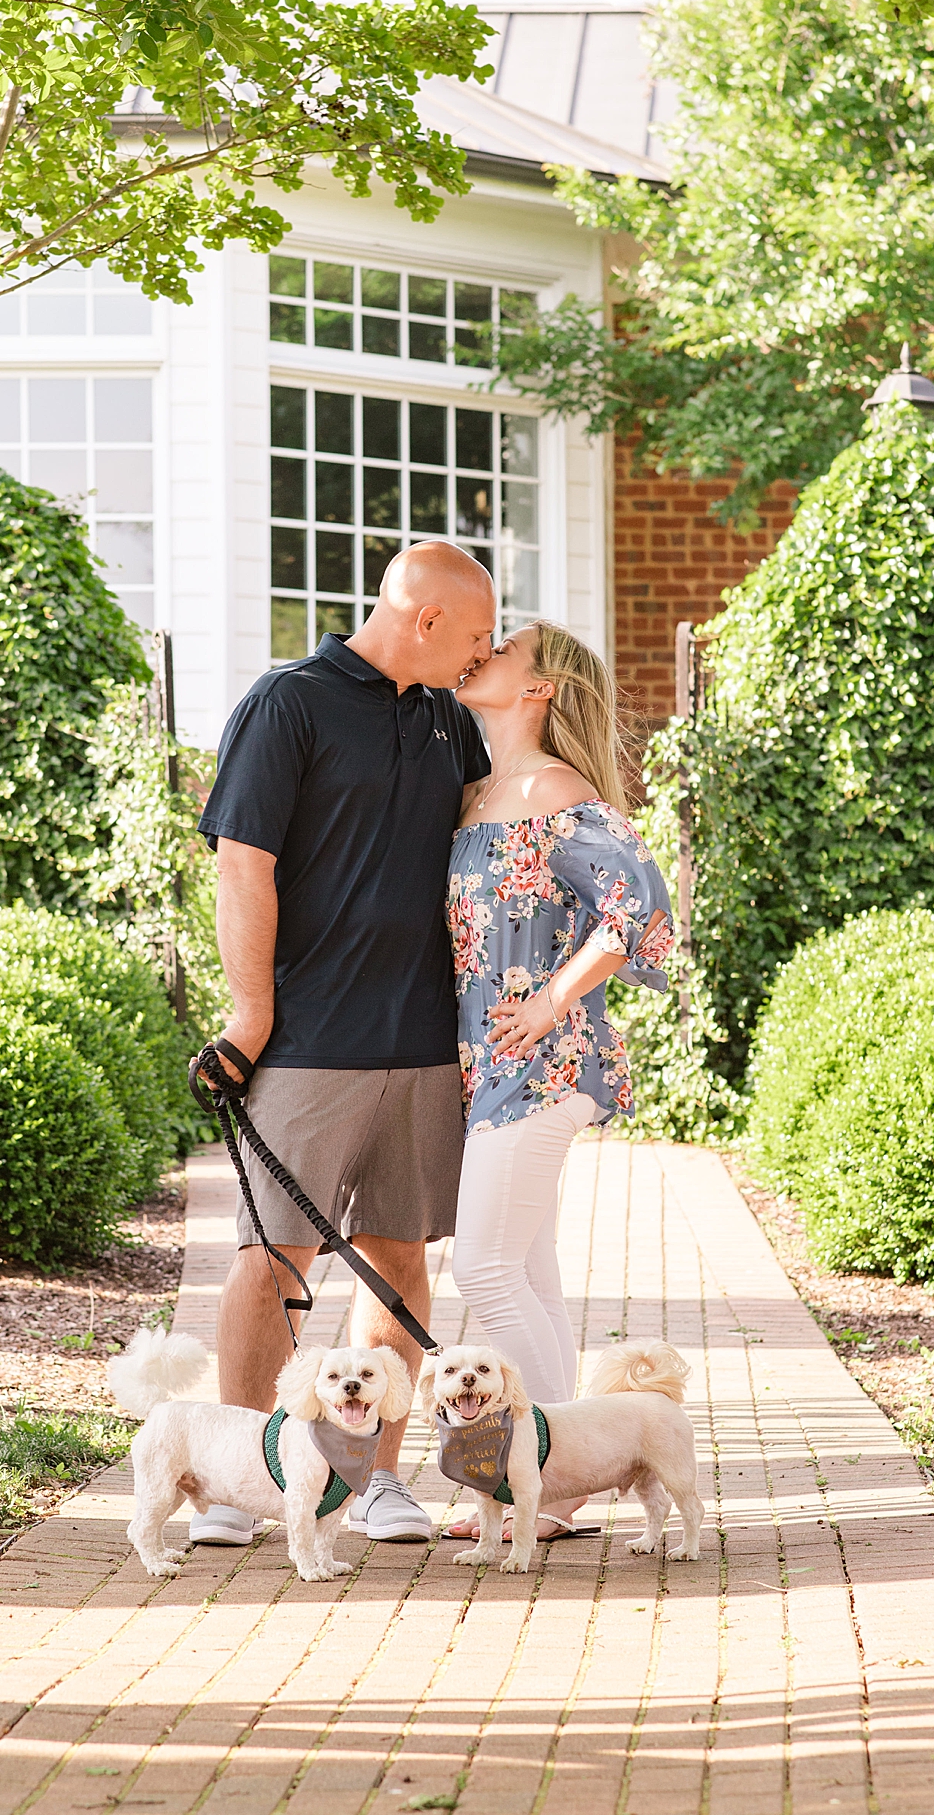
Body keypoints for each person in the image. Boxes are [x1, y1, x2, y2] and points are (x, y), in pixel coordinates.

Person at [194, 541, 496, 1548]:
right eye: (475, 635)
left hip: (421, 1043)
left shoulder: (450, 721)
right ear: (424, 619)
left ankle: (371, 1485)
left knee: (398, 1257)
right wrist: (250, 1016)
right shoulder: (289, 704)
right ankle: (242, 1478)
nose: (480, 652)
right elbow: (244, 867)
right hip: (308, 1042)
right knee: (274, 1257)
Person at [444, 622, 672, 1538]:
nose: (481, 651)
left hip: (545, 1062)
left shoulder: (556, 792)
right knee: (528, 1272)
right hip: (489, 1067)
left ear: (538, 689)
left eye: (503, 647)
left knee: (484, 1267)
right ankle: (557, 1479)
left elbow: (641, 910)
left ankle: (543, 1477)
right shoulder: (479, 790)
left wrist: (548, 1001)